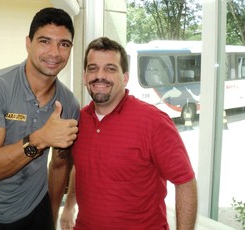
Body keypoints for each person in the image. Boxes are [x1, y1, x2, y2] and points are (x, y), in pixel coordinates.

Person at [0, 7, 79, 230]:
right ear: (28, 43)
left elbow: (59, 166)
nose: (54, 52)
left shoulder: (68, 104)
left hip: (35, 209)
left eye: (64, 44)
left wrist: (51, 217)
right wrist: (40, 139)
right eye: (45, 41)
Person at [60, 37, 198, 230]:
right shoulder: (79, 120)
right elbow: (81, 167)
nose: (100, 76)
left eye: (110, 68)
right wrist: (68, 207)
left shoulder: (153, 122)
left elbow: (185, 182)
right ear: (85, 77)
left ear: (125, 77)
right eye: (93, 68)